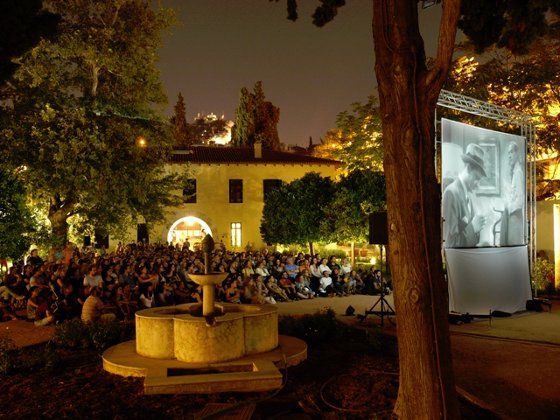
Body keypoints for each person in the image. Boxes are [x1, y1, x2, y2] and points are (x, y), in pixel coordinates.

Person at [442, 143, 487, 248]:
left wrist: (477, 228)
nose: (478, 185)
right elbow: (450, 244)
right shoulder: (451, 193)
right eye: (476, 178)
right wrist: (473, 227)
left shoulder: (468, 195)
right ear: (468, 168)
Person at [501, 141, 524, 245]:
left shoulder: (518, 173)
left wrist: (509, 208)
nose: (509, 156)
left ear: (516, 153)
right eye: (508, 153)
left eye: (511, 152)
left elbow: (520, 200)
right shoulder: (515, 172)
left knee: (513, 244)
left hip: (515, 216)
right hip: (513, 216)